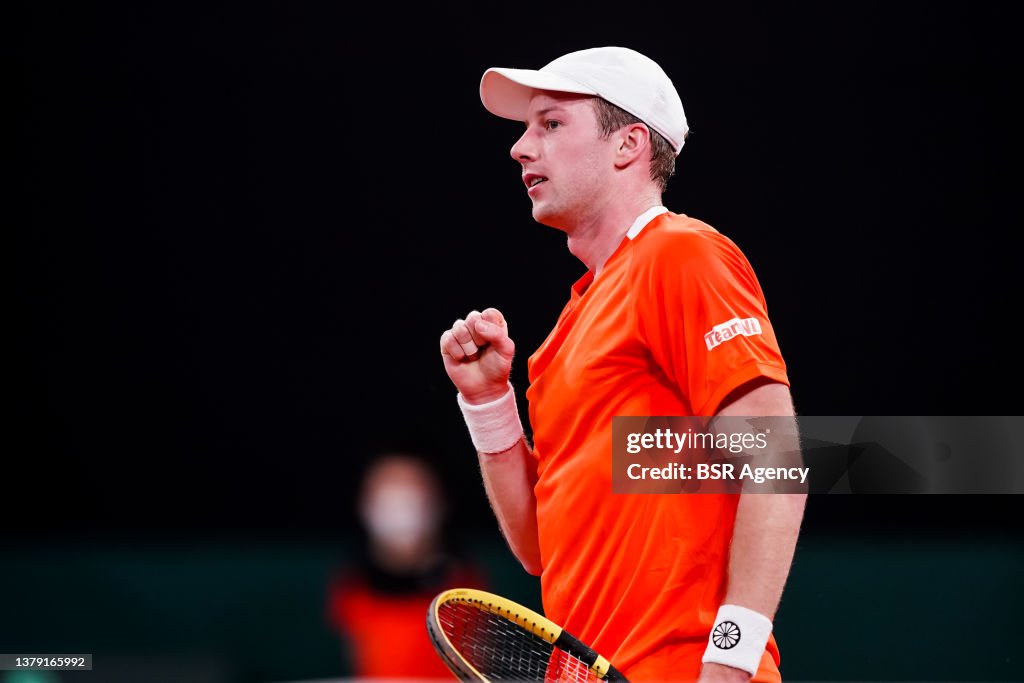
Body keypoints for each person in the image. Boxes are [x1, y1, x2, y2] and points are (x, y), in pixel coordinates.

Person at [439, 47, 806, 682]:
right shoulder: (562, 336)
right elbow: (536, 549)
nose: (521, 149)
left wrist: (731, 657)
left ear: (628, 144)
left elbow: (776, 462)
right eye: (528, 130)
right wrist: (488, 403)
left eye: (551, 124)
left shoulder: (680, 255)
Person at [326, 452, 485, 679]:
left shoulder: (467, 587)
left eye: (411, 491)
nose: (400, 507)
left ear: (438, 504)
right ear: (365, 506)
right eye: (387, 493)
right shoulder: (349, 589)